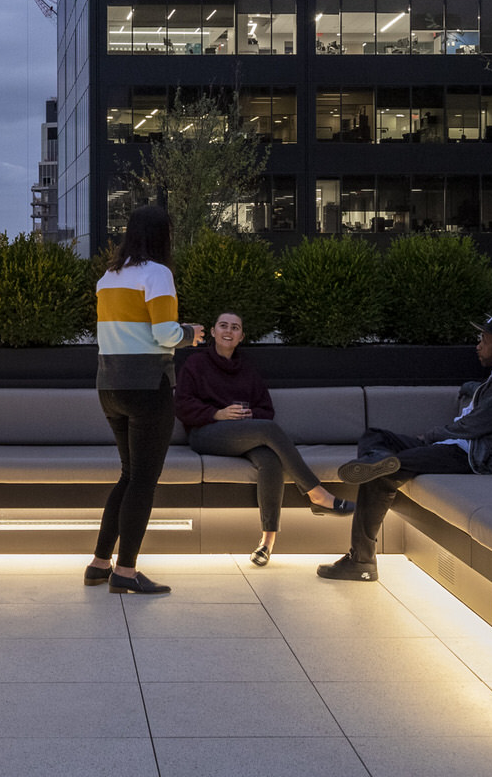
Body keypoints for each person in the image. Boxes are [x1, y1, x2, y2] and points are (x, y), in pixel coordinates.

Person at [318, 314, 492, 583]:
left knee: (382, 474)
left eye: (484, 340)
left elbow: (479, 424)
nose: (478, 345)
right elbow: (487, 400)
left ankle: (361, 562)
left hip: (468, 456)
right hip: (452, 445)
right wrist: (471, 388)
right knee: (375, 435)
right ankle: (378, 459)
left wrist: (434, 434)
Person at [176, 310, 354, 566]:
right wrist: (217, 413)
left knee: (271, 460)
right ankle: (317, 494)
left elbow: (266, 410)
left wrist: (251, 414)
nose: (229, 331)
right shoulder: (195, 364)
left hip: (243, 433)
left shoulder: (246, 368)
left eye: (235, 328)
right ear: (213, 332)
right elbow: (181, 405)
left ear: (241, 336)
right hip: (205, 433)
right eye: (223, 326)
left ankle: (267, 542)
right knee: (268, 430)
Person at [87, 204, 203, 595]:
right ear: (162, 236)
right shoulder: (158, 274)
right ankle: (126, 571)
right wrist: (191, 333)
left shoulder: (109, 276)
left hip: (109, 387)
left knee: (128, 475)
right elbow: (166, 334)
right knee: (144, 482)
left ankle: (100, 563)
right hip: (148, 388)